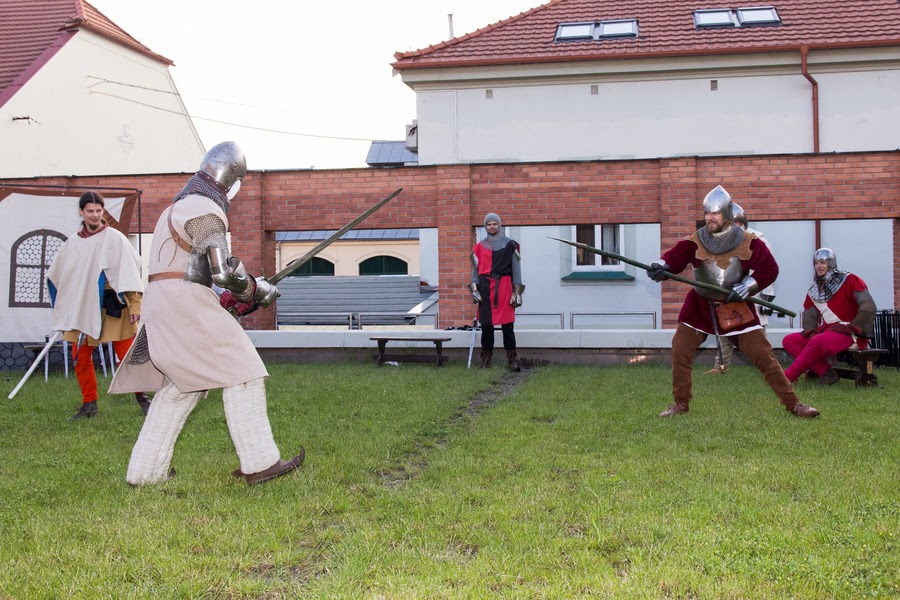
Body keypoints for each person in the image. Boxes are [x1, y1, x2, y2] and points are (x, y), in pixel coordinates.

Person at [110, 141, 304, 486]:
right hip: (185, 301)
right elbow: (223, 273)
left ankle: (144, 473)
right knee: (243, 370)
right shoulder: (205, 210)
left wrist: (229, 297)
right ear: (233, 178)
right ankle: (260, 463)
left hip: (164, 300)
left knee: (182, 386)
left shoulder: (175, 210)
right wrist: (257, 290)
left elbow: (191, 267)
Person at [647, 185, 819, 418]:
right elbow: (676, 255)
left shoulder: (748, 241)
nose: (710, 217)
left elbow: (770, 269)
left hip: (735, 306)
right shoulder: (697, 239)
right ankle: (680, 405)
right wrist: (662, 265)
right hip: (700, 305)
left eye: (715, 213)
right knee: (680, 349)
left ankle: (793, 404)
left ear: (727, 214)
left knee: (762, 354)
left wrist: (747, 286)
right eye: (707, 213)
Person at [46, 191, 150, 419]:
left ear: (103, 211)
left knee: (128, 357)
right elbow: (60, 275)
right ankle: (89, 405)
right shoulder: (73, 242)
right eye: (90, 211)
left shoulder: (115, 238)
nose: (94, 215)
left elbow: (130, 272)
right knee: (81, 357)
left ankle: (142, 398)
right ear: (81, 212)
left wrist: (135, 306)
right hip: (83, 308)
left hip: (112, 307)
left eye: (98, 210)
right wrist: (67, 307)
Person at [782, 248, 876, 385]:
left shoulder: (849, 279)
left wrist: (852, 327)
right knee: (790, 340)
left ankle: (787, 377)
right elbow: (809, 314)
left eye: (822, 262)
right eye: (816, 263)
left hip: (850, 332)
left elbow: (868, 306)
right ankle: (826, 373)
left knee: (817, 342)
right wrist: (811, 332)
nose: (819, 266)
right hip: (828, 330)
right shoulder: (814, 289)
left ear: (831, 263)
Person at [704, 203, 777, 374]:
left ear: (742, 223)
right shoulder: (723, 241)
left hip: (752, 292)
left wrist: (767, 297)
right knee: (725, 329)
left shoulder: (758, 240)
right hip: (730, 293)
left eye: (735, 224)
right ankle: (720, 367)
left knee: (756, 335)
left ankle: (770, 367)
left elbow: (768, 270)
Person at [469, 213, 525, 371]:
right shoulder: (479, 247)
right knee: (486, 326)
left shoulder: (511, 245)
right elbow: (475, 272)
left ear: (499, 225)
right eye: (489, 224)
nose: (492, 226)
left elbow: (517, 270)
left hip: (505, 287)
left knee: (508, 326)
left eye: (494, 224)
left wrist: (517, 292)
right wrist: (475, 290)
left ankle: (512, 360)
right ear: (485, 226)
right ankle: (486, 361)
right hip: (486, 288)